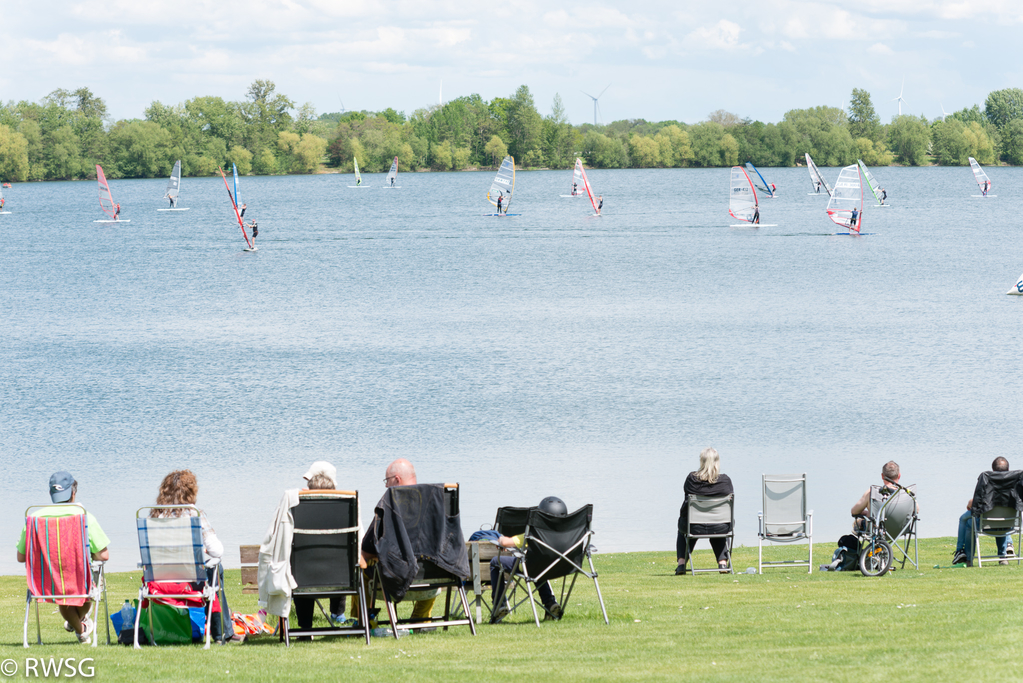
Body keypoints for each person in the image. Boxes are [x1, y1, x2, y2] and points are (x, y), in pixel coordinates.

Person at [17, 471, 110, 644]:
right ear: (73, 493)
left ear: (51, 494)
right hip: (80, 582)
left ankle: (76, 623)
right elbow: (103, 555)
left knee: (61, 583)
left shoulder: (34, 518)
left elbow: (21, 557)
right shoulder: (83, 516)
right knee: (89, 581)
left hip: (47, 583)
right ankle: (80, 627)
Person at [145, 470, 232, 643]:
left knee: (214, 570)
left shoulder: (154, 516)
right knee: (216, 568)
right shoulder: (194, 514)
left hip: (159, 581)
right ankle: (221, 632)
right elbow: (217, 551)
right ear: (191, 491)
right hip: (190, 581)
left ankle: (221, 631)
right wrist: (203, 552)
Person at [360, 459, 437, 624]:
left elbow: (366, 549)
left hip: (395, 575)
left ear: (396, 479)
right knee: (431, 561)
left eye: (386, 481)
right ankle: (421, 619)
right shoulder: (435, 501)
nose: (386, 486)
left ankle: (364, 620)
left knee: (361, 565)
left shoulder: (389, 503)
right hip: (433, 577)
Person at [489, 496, 567, 623]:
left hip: (534, 567)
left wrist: (500, 539)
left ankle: (499, 605)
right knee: (539, 566)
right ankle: (550, 603)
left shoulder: (534, 532)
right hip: (563, 566)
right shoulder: (569, 533)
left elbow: (505, 542)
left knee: (495, 562)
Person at [293, 468, 348, 629]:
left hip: (305, 579)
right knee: (339, 561)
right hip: (341, 580)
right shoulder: (346, 514)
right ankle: (338, 614)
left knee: (299, 569)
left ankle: (305, 629)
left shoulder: (299, 515)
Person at [675, 448, 733, 575]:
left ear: (701, 461)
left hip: (694, 525)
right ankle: (723, 563)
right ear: (717, 462)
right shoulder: (725, 481)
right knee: (716, 526)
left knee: (684, 529)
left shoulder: (691, 479)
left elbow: (686, 503)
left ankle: (681, 564)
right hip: (720, 524)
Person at [952, 457, 1013, 566]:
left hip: (986, 524)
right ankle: (1004, 556)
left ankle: (967, 558)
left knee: (968, 522)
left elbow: (976, 502)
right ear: (1008, 470)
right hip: (1009, 524)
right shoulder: (1014, 483)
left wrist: (970, 502)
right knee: (1001, 520)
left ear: (993, 470)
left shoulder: (988, 480)